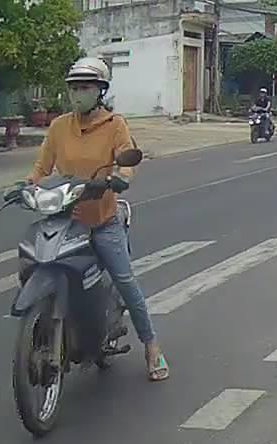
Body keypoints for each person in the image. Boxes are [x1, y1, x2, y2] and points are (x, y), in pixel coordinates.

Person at [23, 57, 169, 381]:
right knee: (33, 260)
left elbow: (126, 159)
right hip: (65, 219)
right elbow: (42, 167)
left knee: (125, 280)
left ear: (100, 91)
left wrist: (121, 177)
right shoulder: (60, 126)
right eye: (74, 88)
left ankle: (151, 345)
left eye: (85, 87)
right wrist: (27, 185)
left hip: (102, 219)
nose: (78, 94)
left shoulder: (115, 124)